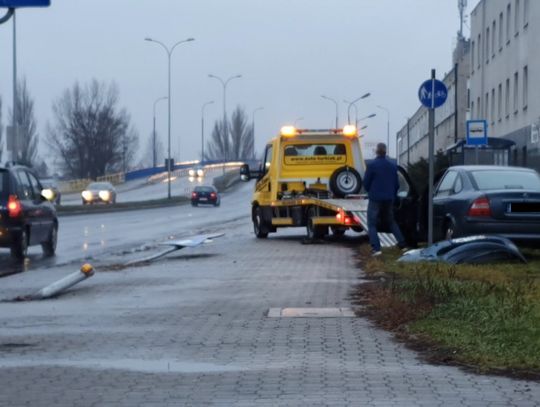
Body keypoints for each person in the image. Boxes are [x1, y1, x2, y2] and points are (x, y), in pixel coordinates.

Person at [363, 143, 406, 256]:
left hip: (375, 199)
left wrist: (370, 191)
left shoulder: (372, 165)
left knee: (372, 223)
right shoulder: (392, 166)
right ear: (385, 151)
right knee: (391, 221)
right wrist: (392, 195)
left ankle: (376, 249)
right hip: (389, 199)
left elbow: (366, 183)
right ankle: (402, 244)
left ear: (376, 151)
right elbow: (396, 184)